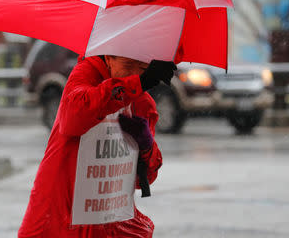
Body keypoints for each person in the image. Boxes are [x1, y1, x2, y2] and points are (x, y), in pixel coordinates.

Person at [18, 54, 177, 238]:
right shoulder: (86, 74)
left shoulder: (142, 104)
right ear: (109, 58)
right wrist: (136, 84)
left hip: (110, 222)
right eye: (127, 65)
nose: (133, 74)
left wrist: (146, 145)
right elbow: (73, 118)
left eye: (142, 70)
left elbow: (143, 180)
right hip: (60, 216)